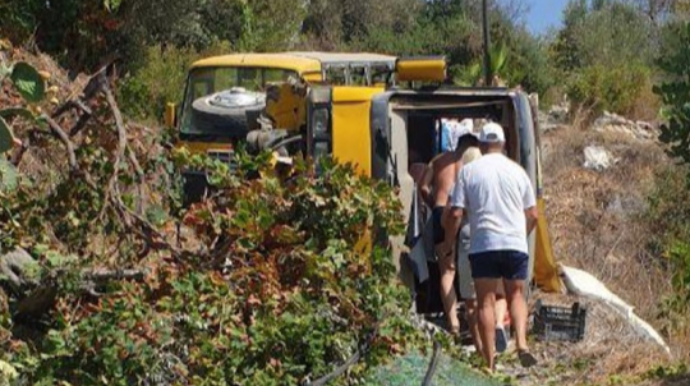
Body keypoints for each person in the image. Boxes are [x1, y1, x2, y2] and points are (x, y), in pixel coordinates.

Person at [440, 122, 539, 372]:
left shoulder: (469, 171)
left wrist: (449, 245)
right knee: (515, 295)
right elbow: (534, 215)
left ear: (481, 145)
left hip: (483, 243)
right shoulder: (518, 171)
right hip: (515, 243)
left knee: (484, 301)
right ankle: (522, 344)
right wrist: (521, 235)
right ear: (504, 143)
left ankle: (490, 362)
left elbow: (455, 213)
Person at [419, 125, 476, 334]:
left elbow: (423, 187)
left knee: (446, 268)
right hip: (466, 216)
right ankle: (473, 318)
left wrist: (434, 204)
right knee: (469, 266)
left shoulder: (438, 160)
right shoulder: (474, 164)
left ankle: (453, 322)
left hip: (441, 212)